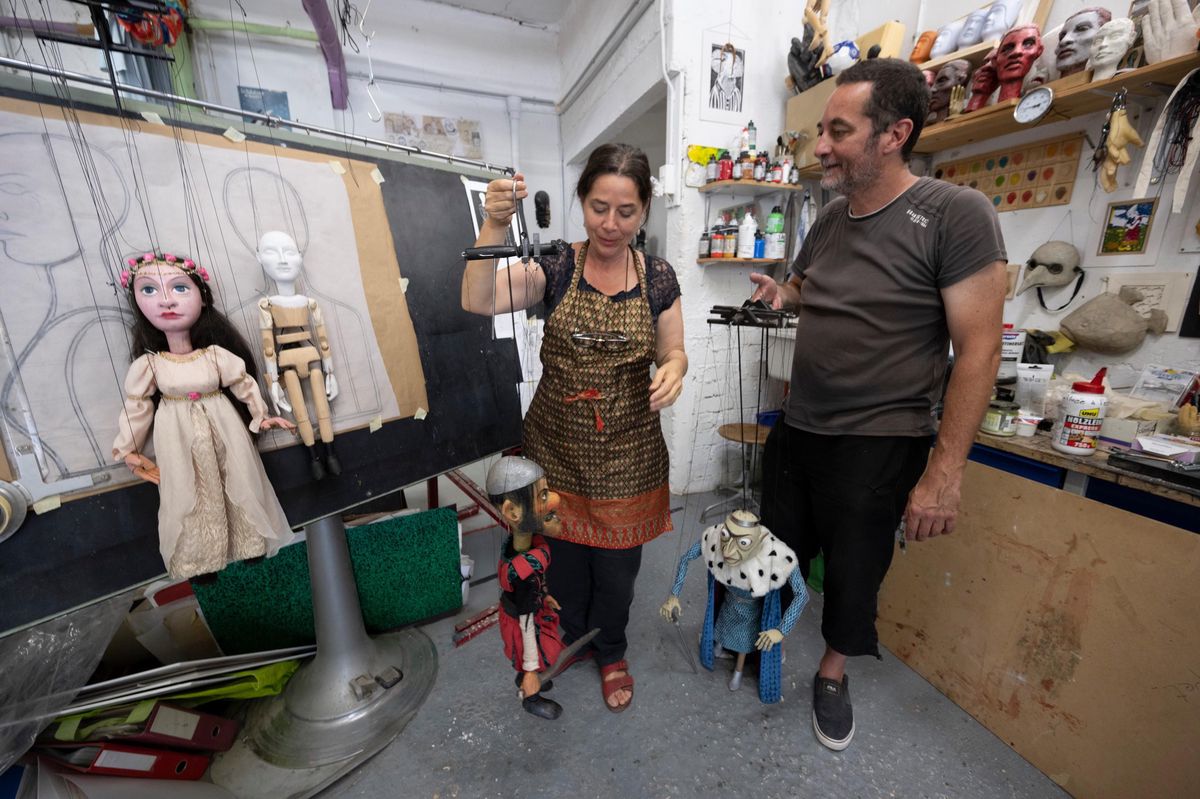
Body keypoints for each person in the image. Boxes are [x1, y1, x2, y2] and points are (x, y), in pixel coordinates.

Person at [746, 58, 1006, 751]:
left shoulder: (956, 216)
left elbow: (978, 352)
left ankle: (832, 672)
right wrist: (783, 295)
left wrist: (944, 473)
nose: (821, 145)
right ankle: (767, 635)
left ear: (894, 134)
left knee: (856, 575)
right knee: (776, 548)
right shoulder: (831, 218)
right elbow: (807, 287)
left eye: (837, 130)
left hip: (878, 441)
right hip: (800, 427)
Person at [462, 143, 687, 712]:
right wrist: (493, 222)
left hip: (629, 455)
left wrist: (675, 370)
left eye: (626, 211)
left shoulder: (658, 277)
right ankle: (577, 637)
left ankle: (611, 650)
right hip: (556, 448)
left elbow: (675, 348)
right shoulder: (558, 265)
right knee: (561, 567)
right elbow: (477, 297)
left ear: (644, 212)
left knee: (617, 572)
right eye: (597, 207)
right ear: (582, 202)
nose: (610, 224)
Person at [112, 253, 296, 579]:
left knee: (237, 477)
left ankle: (249, 542)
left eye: (180, 288)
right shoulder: (151, 365)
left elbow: (243, 383)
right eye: (150, 291)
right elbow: (137, 404)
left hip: (223, 423)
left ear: (202, 297)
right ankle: (198, 559)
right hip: (176, 432)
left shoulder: (214, 356)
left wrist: (260, 415)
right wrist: (128, 447)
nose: (166, 300)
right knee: (187, 490)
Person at [487, 456, 566, 720]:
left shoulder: (524, 550)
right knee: (532, 651)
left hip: (530, 606)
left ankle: (527, 674)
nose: (552, 501)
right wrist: (532, 670)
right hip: (522, 619)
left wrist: (544, 595)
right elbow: (527, 624)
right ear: (512, 512)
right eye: (543, 496)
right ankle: (530, 693)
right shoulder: (523, 573)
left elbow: (535, 587)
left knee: (530, 650)